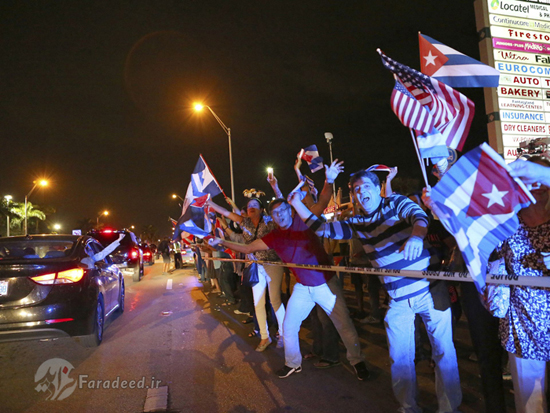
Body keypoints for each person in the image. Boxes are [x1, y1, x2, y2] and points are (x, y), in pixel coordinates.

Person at [289, 168, 461, 413]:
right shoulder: (357, 223)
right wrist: (297, 204)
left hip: (430, 291)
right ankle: (408, 407)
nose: (361, 192)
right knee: (400, 358)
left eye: (366, 187)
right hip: (398, 299)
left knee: (444, 351)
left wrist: (416, 237)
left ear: (377, 188)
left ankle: (449, 409)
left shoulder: (394, 203)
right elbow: (323, 229)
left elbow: (419, 216)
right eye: (356, 190)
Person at [209, 196, 369, 380]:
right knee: (289, 326)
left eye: (282, 211)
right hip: (303, 287)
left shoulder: (303, 222)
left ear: (290, 211)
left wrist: (329, 180)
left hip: (326, 284)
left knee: (344, 325)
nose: (280, 215)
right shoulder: (274, 236)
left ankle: (357, 362)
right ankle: (292, 363)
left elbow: (322, 204)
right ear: (273, 217)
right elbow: (248, 248)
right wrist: (220, 242)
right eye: (275, 213)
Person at [495, 156, 550, 413]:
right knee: (531, 404)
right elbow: (489, 255)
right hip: (523, 324)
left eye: (536, 179)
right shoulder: (508, 223)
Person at [208, 197, 285, 352]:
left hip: (273, 264)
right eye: (249, 205)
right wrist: (210, 204)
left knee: (275, 301)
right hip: (255, 266)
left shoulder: (269, 220)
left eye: (255, 205)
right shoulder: (245, 222)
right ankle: (265, 336)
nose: (251, 207)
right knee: (258, 302)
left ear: (262, 209)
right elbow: (226, 212)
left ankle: (284, 334)